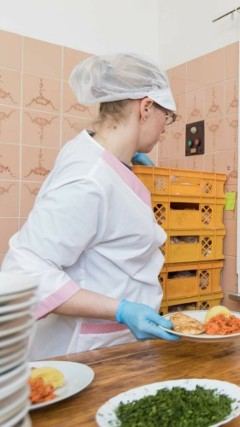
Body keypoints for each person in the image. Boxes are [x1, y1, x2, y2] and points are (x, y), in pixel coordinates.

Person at [1, 53, 180, 360]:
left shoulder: (99, 161)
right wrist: (121, 310)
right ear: (146, 107)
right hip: (84, 350)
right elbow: (23, 273)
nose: (166, 127)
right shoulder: (89, 176)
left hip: (111, 348)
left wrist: (124, 167)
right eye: (168, 115)